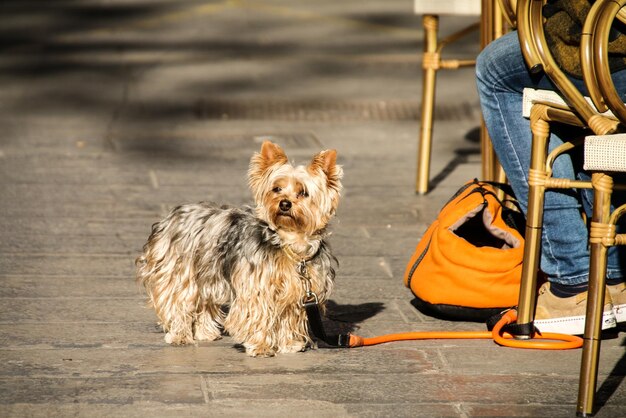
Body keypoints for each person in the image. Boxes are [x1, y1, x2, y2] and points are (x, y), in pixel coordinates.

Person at [475, 0, 626, 335]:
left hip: (609, 50)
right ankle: (614, 274)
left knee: (495, 70)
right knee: (576, 91)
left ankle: (572, 279)